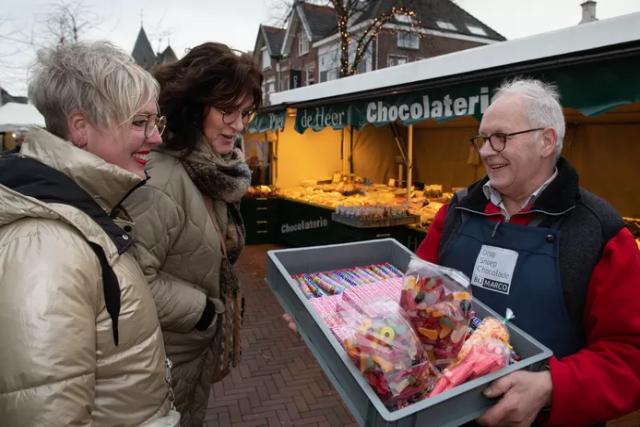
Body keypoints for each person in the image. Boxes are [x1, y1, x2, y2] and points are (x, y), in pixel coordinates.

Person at [416, 78, 640, 426]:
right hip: (446, 412)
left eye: (501, 137)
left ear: (546, 141)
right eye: (482, 139)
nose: (486, 151)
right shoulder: (457, 211)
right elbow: (415, 294)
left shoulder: (600, 232)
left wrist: (552, 386)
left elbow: (630, 355)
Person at [0, 42, 180, 426]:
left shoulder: (81, 214)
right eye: (138, 122)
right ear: (81, 128)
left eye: (156, 122)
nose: (157, 138)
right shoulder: (46, 247)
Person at [123, 42, 262, 426]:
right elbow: (130, 281)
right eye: (226, 110)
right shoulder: (163, 178)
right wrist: (203, 311)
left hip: (190, 354)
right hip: (166, 357)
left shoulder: (210, 173)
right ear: (193, 107)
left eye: (245, 112)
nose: (239, 125)